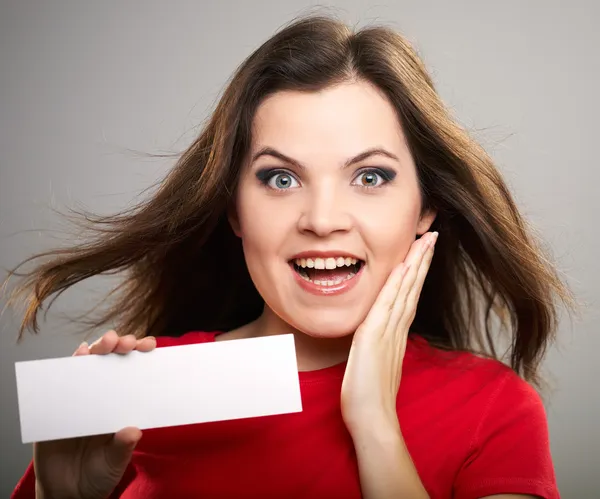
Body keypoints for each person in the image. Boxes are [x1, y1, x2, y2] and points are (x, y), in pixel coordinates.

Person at [8, 14, 573, 499]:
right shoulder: (130, 393)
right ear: (233, 208)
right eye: (280, 178)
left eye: (370, 176)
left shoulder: (494, 411)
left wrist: (374, 425)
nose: (322, 219)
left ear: (426, 208)